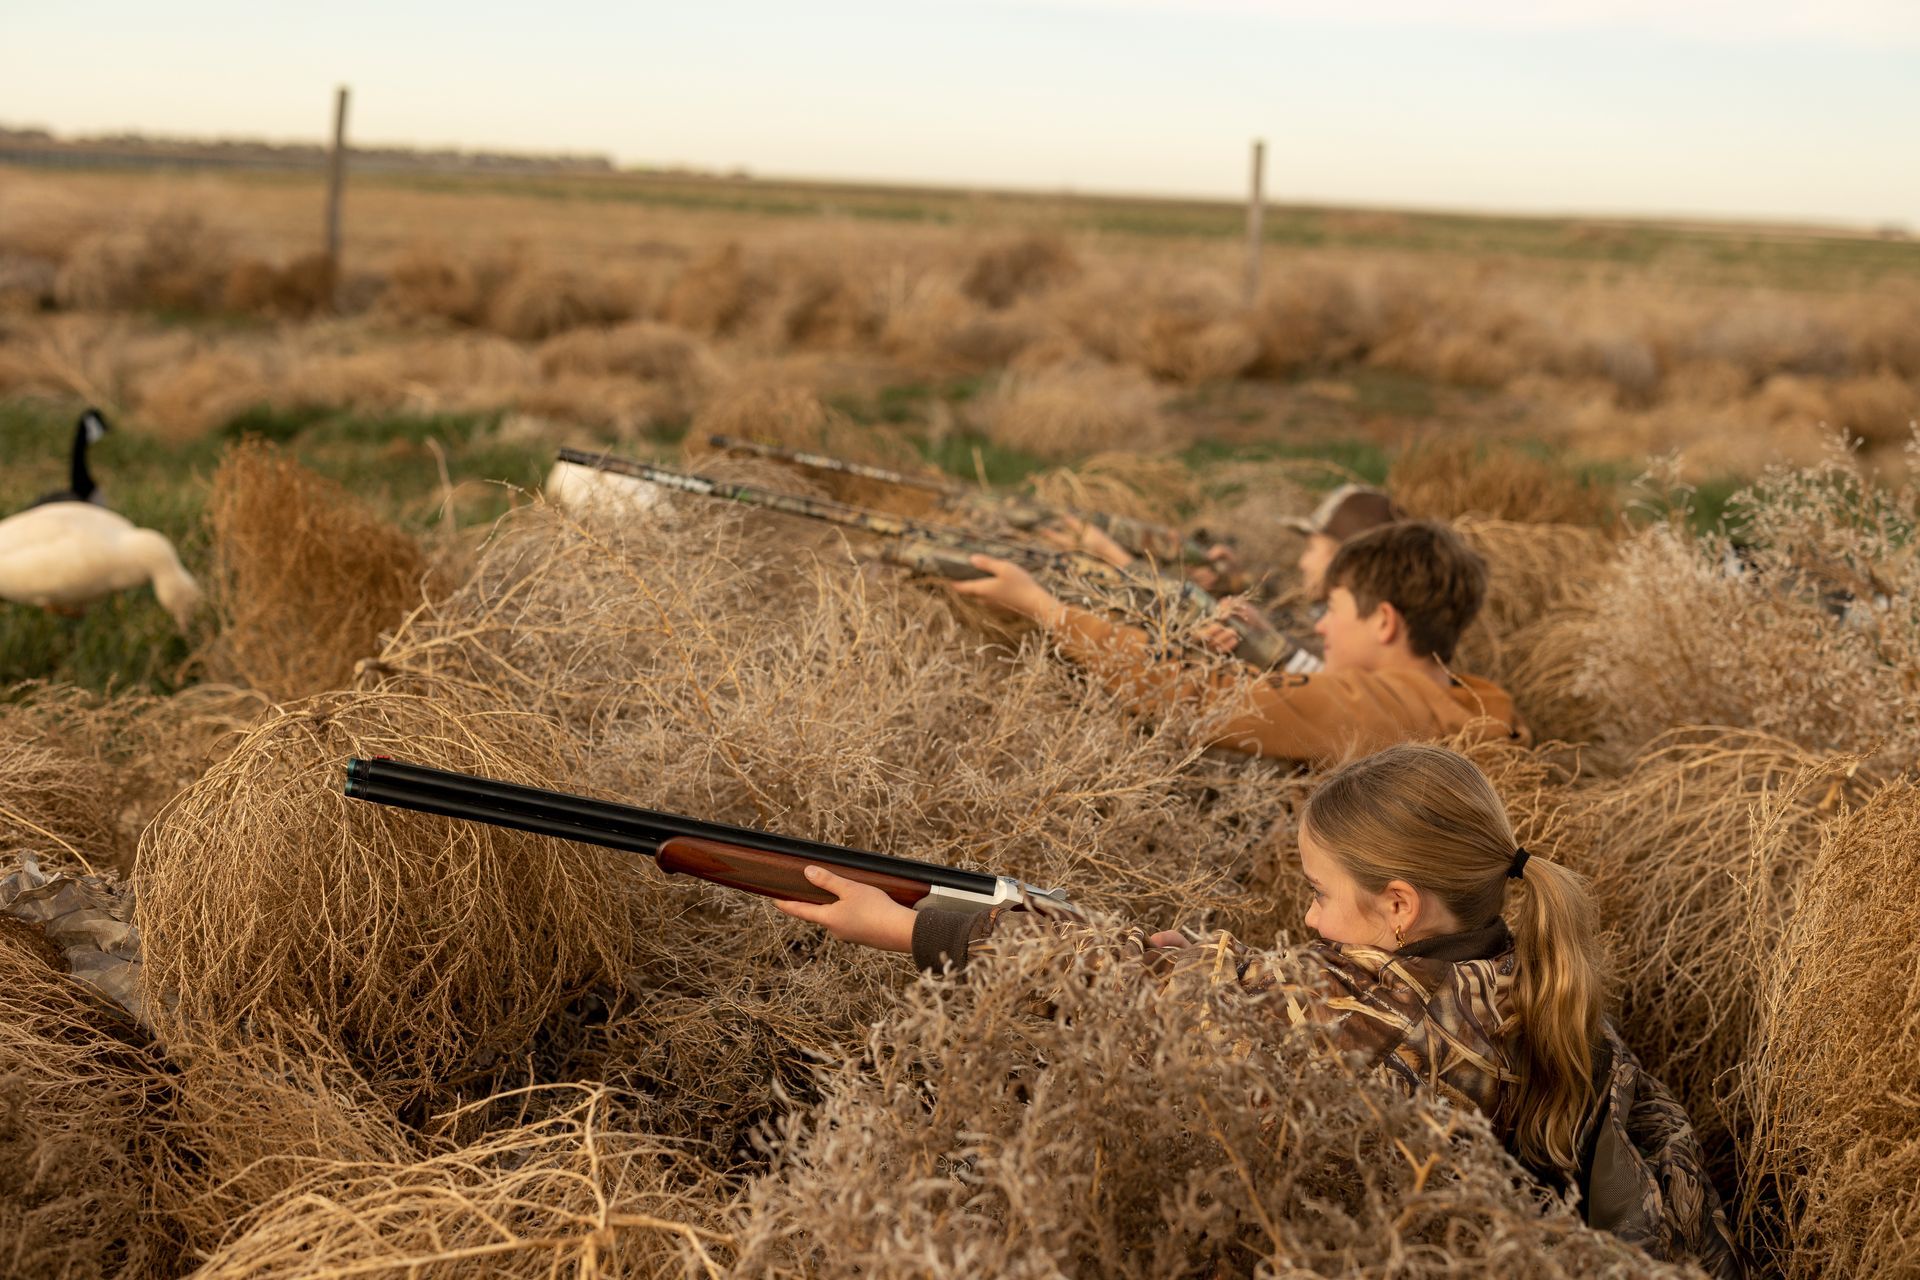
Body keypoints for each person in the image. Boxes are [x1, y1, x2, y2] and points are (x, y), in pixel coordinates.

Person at [774, 743, 1741, 1277]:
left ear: (1399, 907)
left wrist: (913, 930)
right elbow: (1231, 977)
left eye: (1320, 893)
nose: (1306, 916)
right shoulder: (1523, 973)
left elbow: (1136, 980)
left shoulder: (1390, 1010)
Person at [957, 518, 1527, 767]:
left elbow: (1192, 697)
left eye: (1332, 610)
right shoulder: (1474, 699)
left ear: (1384, 622)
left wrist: (1041, 606)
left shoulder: (1373, 707)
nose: (1322, 626)